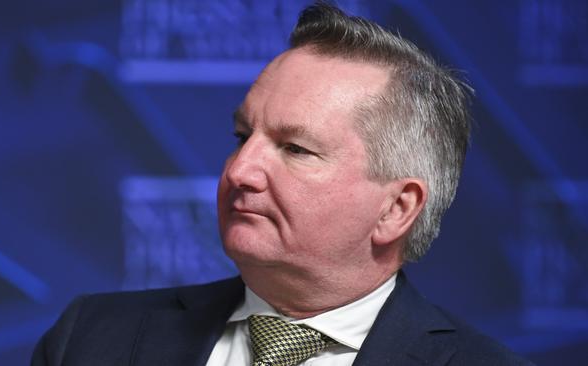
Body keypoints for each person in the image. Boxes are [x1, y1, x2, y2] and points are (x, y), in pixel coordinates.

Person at [32, 3, 533, 366]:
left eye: (295, 149)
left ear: (396, 209)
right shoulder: (90, 339)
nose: (239, 171)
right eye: (242, 136)